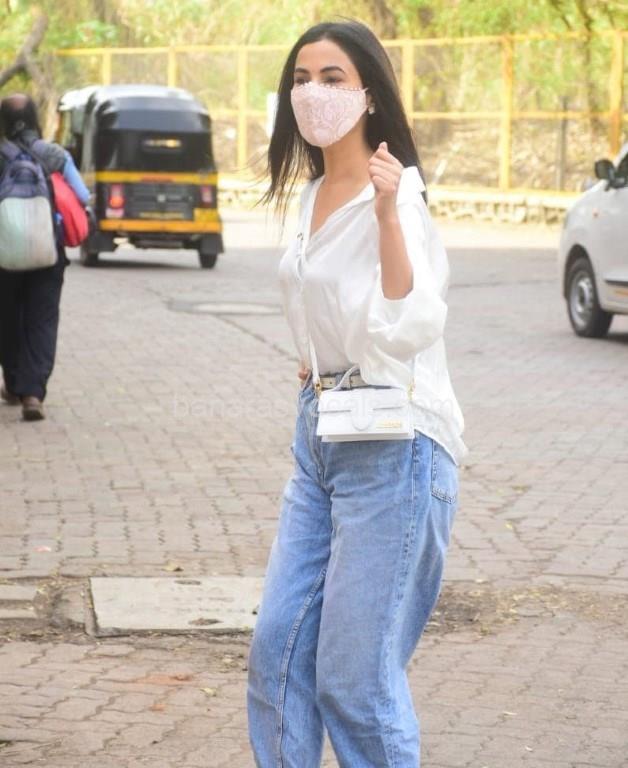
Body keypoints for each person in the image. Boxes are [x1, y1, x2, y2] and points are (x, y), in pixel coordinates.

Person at [247, 20, 468, 767]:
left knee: (354, 680)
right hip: (321, 435)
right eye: (301, 78)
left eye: (332, 78)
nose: (313, 92)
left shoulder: (397, 192)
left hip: (395, 446)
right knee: (277, 655)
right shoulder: (312, 192)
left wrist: (384, 213)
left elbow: (410, 321)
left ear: (369, 93)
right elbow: (320, 297)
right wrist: (318, 358)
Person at [0, 93, 89, 421]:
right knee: (42, 320)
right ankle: (33, 393)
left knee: (7, 319)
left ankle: (14, 383)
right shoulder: (55, 155)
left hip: (3, 256)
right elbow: (82, 196)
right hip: (48, 252)